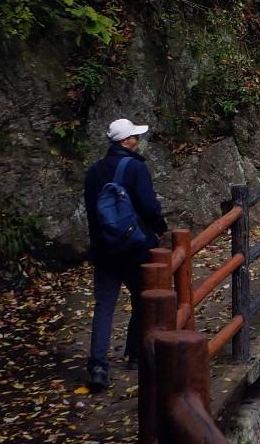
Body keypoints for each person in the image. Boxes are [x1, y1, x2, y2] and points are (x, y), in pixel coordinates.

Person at [84, 117, 166, 389]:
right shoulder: (135, 168)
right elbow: (149, 206)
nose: (138, 141)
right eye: (135, 138)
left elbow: (92, 214)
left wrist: (99, 243)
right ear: (125, 142)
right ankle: (134, 354)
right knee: (142, 299)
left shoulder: (93, 171)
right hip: (134, 247)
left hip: (104, 248)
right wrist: (159, 227)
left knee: (104, 305)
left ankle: (98, 366)